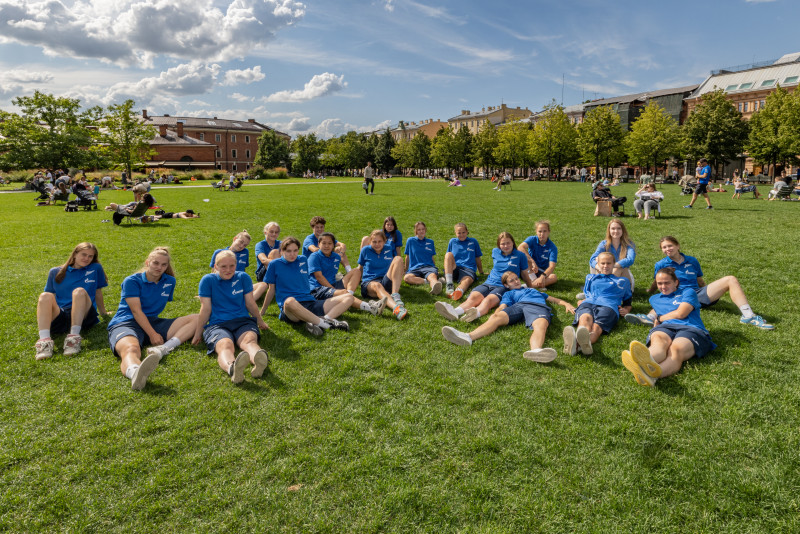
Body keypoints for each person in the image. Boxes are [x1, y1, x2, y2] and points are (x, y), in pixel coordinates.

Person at [624, 236, 773, 330]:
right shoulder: (661, 264)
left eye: (670, 246)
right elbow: (658, 282)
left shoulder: (692, 260)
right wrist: (651, 290)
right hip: (678, 295)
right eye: (664, 247)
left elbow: (700, 280)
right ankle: (649, 317)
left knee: (730, 279)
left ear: (677, 246)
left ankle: (748, 315)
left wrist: (710, 291)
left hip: (697, 293)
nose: (667, 249)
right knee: (669, 296)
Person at [107, 247, 198, 390]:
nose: (159, 267)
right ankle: (135, 373)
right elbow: (136, 311)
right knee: (131, 348)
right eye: (155, 263)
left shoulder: (170, 281)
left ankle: (163, 349)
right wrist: (152, 334)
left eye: (164, 265)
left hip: (152, 322)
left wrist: (154, 331)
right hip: (126, 322)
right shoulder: (132, 281)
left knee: (197, 319)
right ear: (147, 262)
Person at [441, 271, 575, 363]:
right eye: (512, 281)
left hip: (536, 306)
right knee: (497, 317)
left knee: (541, 325)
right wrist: (497, 313)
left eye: (517, 279)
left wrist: (567, 304)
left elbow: (555, 299)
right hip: (519, 306)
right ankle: (468, 337)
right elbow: (503, 306)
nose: (516, 281)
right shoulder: (508, 294)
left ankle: (536, 351)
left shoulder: (532, 290)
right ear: (506, 285)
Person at [620, 267, 716, 386]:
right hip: (665, 327)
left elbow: (681, 313)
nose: (663, 286)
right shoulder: (654, 299)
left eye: (667, 283)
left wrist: (660, 318)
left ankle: (653, 375)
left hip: (690, 328)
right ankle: (641, 363)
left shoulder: (688, 292)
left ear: (676, 282)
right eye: (660, 283)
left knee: (675, 349)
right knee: (659, 343)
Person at [193, 250, 269, 384]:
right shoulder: (208, 280)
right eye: (223, 266)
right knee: (225, 345)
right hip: (218, 324)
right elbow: (205, 309)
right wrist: (198, 333)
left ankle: (259, 360)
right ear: (215, 266)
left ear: (236, 265)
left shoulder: (243, 277)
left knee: (249, 341)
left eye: (232, 266)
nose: (228, 270)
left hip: (243, 321)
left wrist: (260, 320)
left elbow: (250, 303)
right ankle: (232, 368)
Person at [261, 237, 353, 334]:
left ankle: (324, 319)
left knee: (349, 297)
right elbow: (271, 290)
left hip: (310, 302)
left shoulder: (303, 260)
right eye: (288, 251)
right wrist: (262, 312)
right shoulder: (274, 264)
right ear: (282, 251)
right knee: (289, 301)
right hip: (291, 310)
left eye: (295, 250)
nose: (292, 254)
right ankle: (326, 325)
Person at [436, 232, 533, 323]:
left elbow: (524, 273)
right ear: (499, 245)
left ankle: (475, 314)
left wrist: (531, 287)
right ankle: (454, 312)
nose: (506, 246)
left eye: (508, 243)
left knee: (488, 300)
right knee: (473, 298)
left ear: (513, 242)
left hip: (503, 286)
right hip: (488, 283)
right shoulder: (495, 252)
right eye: (503, 244)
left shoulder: (520, 255)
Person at [34, 243, 109, 360]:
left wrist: (103, 313)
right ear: (75, 254)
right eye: (84, 255)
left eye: (90, 256)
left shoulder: (95, 268)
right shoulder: (55, 272)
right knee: (45, 296)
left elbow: (98, 291)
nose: (87, 259)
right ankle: (44, 342)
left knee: (79, 291)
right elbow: (51, 298)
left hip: (85, 314)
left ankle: (73, 338)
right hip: (63, 315)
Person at [563, 252, 632, 356]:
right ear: (598, 264)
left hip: (609, 306)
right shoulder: (590, 278)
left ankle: (575, 345)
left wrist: (626, 310)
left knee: (596, 328)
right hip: (588, 303)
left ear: (614, 264)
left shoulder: (623, 281)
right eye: (602, 263)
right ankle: (581, 344)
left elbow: (628, 303)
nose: (605, 266)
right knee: (585, 319)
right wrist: (581, 301)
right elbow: (588, 294)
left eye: (608, 263)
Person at [308, 232, 385, 316]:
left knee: (356, 271)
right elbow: (319, 277)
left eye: (329, 243)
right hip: (319, 288)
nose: (326, 246)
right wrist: (334, 290)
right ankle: (371, 308)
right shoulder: (314, 256)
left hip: (333, 284)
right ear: (319, 244)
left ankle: (348, 301)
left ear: (334, 245)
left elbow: (343, 255)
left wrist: (341, 252)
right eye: (324, 243)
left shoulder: (336, 257)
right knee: (343, 292)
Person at [358, 229, 408, 320]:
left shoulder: (388, 248)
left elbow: (395, 265)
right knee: (377, 285)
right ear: (370, 242)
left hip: (385, 280)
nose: (377, 244)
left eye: (380, 241)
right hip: (370, 283)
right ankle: (397, 309)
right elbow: (360, 268)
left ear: (384, 241)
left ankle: (395, 294)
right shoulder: (365, 250)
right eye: (374, 242)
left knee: (398, 258)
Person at [209, 231, 268, 300]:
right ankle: (239, 299)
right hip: (225, 283)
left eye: (245, 245)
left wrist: (246, 281)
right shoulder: (219, 252)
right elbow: (213, 272)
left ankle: (247, 302)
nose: (242, 246)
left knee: (263, 285)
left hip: (240, 283)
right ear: (234, 239)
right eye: (241, 242)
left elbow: (243, 269)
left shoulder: (245, 252)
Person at [588, 219, 636, 289]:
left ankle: (597, 290)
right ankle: (599, 289)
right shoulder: (604, 244)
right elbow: (592, 259)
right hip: (605, 273)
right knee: (596, 262)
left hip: (624, 277)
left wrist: (613, 265)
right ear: (609, 230)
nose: (616, 231)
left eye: (619, 228)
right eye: (613, 229)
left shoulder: (629, 244)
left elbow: (630, 259)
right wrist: (600, 267)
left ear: (623, 230)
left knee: (619, 268)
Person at [443, 223, 484, 300]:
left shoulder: (473, 242)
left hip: (468, 269)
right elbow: (447, 259)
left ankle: (458, 292)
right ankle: (449, 284)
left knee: (467, 281)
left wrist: (481, 272)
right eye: (459, 233)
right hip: (455, 268)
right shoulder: (452, 241)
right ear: (455, 233)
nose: (461, 235)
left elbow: (477, 258)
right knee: (448, 254)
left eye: (463, 232)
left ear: (467, 232)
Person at [403, 221, 442, 294]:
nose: (421, 231)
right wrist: (406, 269)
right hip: (415, 268)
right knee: (407, 278)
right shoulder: (410, 241)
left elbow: (432, 257)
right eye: (419, 229)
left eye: (423, 229)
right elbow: (407, 256)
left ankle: (435, 287)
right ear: (416, 231)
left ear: (425, 230)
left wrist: (434, 269)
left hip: (428, 267)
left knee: (432, 276)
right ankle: (428, 281)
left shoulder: (430, 242)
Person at [518, 220, 558, 288]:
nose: (542, 234)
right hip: (531, 268)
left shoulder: (552, 247)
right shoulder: (532, 239)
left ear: (549, 232)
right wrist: (532, 261)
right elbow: (520, 247)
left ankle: (527, 286)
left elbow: (552, 266)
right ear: (536, 232)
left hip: (542, 272)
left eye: (545, 231)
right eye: (540, 231)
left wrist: (542, 276)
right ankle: (539, 284)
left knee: (554, 277)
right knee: (526, 260)